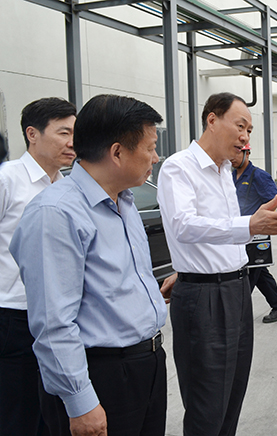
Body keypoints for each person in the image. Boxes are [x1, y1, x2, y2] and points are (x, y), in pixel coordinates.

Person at [9, 94, 169, 436]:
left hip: (147, 364)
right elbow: (53, 322)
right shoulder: (56, 213)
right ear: (117, 153)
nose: (155, 158)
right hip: (101, 375)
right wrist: (80, 400)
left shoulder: (124, 202)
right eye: (150, 148)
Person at [157, 92, 277, 436]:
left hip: (236, 289)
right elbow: (182, 225)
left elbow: (216, 236)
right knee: (207, 405)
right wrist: (249, 225)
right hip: (205, 299)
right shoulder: (179, 167)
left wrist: (258, 225)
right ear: (212, 119)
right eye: (240, 126)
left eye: (249, 131)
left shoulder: (225, 171)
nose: (245, 137)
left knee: (232, 397)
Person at [0, 97, 76, 436]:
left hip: (57, 319)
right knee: (17, 417)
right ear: (32, 134)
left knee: (52, 417)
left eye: (75, 133)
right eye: (63, 133)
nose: (72, 142)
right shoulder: (8, 179)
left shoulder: (66, 185)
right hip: (14, 319)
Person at [232, 143, 277, 323]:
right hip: (240, 231)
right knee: (259, 273)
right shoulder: (231, 176)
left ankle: (236, 315)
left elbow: (275, 200)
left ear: (247, 153)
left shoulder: (258, 175)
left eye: (237, 153)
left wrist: (259, 219)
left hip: (256, 234)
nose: (232, 157)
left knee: (248, 275)